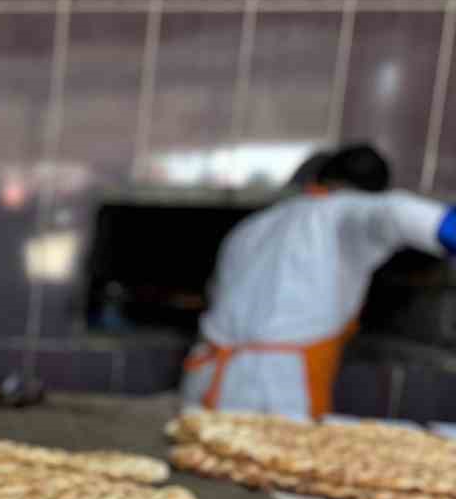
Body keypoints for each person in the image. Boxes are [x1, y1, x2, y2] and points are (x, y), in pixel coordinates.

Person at [180, 143, 456, 419]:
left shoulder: (255, 224)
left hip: (208, 376)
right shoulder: (346, 212)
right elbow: (399, 212)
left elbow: (216, 295)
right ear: (372, 193)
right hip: (273, 387)